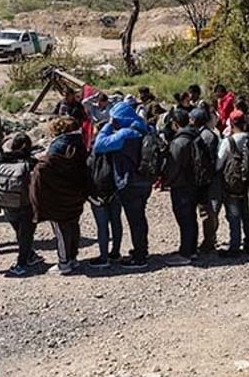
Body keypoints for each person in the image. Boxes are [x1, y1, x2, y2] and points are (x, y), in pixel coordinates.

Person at [93, 102, 151, 269]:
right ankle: (142, 249)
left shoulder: (125, 135)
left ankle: (139, 258)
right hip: (145, 181)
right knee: (140, 218)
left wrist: (107, 127)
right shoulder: (143, 128)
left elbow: (99, 146)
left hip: (129, 183)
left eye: (115, 118)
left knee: (135, 220)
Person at [29, 116, 90, 275]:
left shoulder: (58, 146)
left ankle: (64, 263)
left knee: (61, 229)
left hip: (58, 196)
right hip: (75, 192)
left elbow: (48, 168)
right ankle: (72, 258)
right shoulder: (80, 144)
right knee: (73, 226)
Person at [0, 132, 41, 277]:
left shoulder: (0, 160)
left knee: (19, 232)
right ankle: (21, 263)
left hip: (6, 201)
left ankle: (30, 255)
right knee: (26, 234)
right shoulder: (31, 162)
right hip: (26, 203)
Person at [216, 109, 249, 257]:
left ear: (231, 124)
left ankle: (234, 247)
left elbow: (219, 164)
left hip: (231, 184)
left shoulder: (229, 141)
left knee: (233, 216)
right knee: (247, 215)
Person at [164, 109, 199, 266]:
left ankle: (185, 253)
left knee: (184, 218)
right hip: (194, 183)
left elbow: (174, 166)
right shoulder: (195, 136)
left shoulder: (178, 142)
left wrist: (167, 180)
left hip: (181, 184)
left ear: (175, 123)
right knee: (191, 217)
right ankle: (192, 249)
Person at [191, 107, 220, 254]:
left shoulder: (205, 136)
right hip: (207, 178)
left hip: (206, 180)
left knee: (207, 212)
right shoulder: (208, 134)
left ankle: (209, 241)